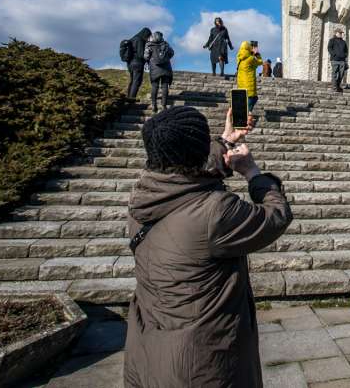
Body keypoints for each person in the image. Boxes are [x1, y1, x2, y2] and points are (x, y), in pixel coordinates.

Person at [124, 106, 292, 388]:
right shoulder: (215, 212)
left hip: (150, 346)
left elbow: (183, 171)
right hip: (204, 361)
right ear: (198, 150)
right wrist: (252, 172)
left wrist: (226, 141)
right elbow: (276, 217)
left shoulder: (144, 194)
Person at [143, 31, 174, 113]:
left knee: (155, 85)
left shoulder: (149, 44)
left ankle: (154, 105)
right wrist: (165, 58)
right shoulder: (165, 44)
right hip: (166, 66)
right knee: (164, 86)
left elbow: (146, 56)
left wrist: (149, 60)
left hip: (154, 66)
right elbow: (172, 53)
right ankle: (163, 105)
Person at [126, 27, 152, 100]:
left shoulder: (133, 39)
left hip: (130, 63)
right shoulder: (140, 40)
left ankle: (128, 97)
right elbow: (141, 54)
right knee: (137, 82)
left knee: (132, 80)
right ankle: (132, 99)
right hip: (137, 62)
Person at [237, 42, 263, 111]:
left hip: (241, 84)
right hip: (249, 84)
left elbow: (247, 58)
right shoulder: (250, 59)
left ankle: (247, 114)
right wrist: (257, 54)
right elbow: (260, 62)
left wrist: (252, 53)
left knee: (253, 98)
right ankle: (248, 115)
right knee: (251, 99)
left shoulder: (239, 58)